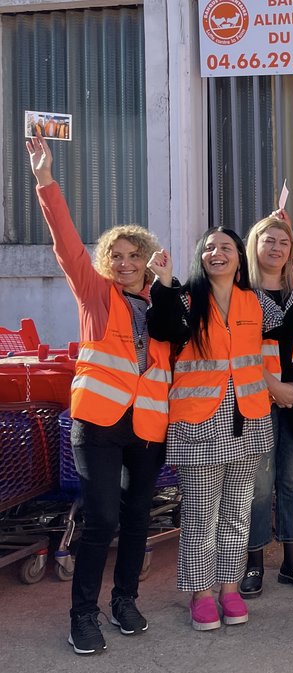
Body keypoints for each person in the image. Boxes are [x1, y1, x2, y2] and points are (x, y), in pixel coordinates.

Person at [28, 133, 169, 655]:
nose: (127, 262)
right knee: (103, 516)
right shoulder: (95, 292)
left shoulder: (163, 306)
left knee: (138, 516)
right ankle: (82, 613)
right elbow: (66, 242)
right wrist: (46, 180)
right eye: (118, 254)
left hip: (149, 425)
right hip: (99, 423)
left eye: (136, 255)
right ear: (107, 260)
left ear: (149, 260)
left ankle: (125, 600)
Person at [146, 227, 293, 631]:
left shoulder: (253, 300)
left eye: (225, 248)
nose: (216, 253)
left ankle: (229, 587)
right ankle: (200, 594)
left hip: (249, 421)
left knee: (237, 514)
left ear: (240, 257)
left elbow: (289, 327)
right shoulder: (186, 298)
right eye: (208, 248)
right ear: (200, 258)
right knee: (202, 517)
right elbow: (162, 327)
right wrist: (163, 283)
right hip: (198, 423)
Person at [242, 214, 293, 597]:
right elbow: (238, 352)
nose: (276, 248)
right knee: (258, 485)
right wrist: (272, 385)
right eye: (268, 240)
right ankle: (253, 563)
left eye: (284, 243)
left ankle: (292, 561)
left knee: (292, 481)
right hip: (257, 398)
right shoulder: (241, 293)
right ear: (254, 245)